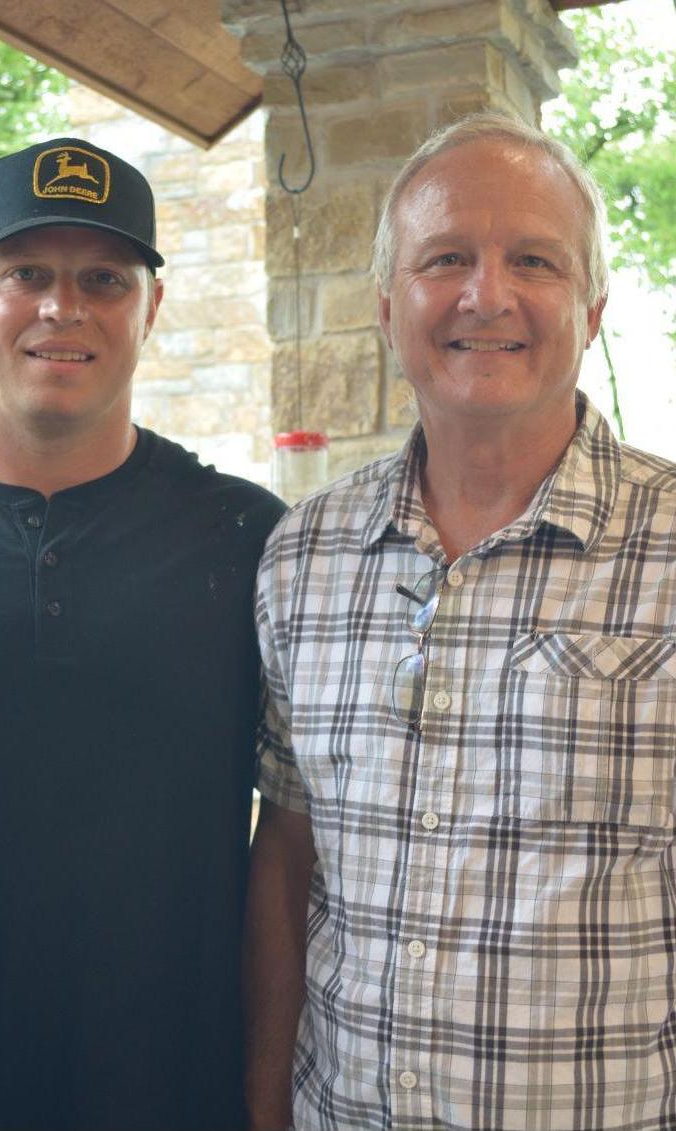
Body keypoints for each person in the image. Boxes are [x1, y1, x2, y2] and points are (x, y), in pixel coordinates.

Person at [246, 110, 676, 1131]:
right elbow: (288, 856)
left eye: (535, 260)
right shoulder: (303, 557)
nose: (489, 294)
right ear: (387, 306)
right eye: (447, 258)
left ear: (595, 305)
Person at [0, 137, 285, 1131]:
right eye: (27, 274)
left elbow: (305, 839)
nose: (65, 307)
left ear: (151, 306)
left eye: (105, 277)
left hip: (181, 1098)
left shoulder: (247, 538)